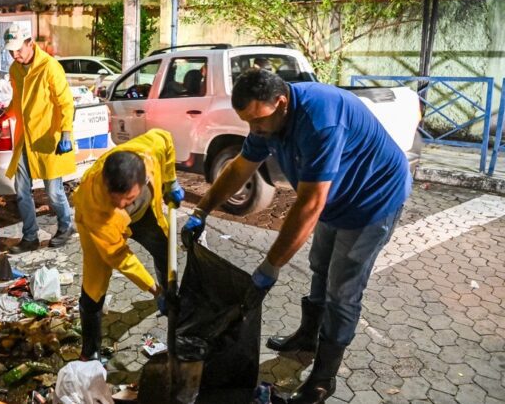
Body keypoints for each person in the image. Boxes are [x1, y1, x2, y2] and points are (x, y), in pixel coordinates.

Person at [182, 69, 411, 404]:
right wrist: (201, 210)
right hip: (334, 200)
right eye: (247, 122)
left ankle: (323, 378)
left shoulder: (321, 121)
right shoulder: (267, 118)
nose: (254, 130)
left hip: (372, 202)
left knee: (342, 290)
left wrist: (270, 267)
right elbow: (240, 168)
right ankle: (307, 336)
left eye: (258, 121)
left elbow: (309, 204)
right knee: (319, 264)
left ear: (282, 103)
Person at [73, 129, 184, 360]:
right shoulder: (95, 204)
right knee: (94, 287)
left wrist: (170, 181)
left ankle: (170, 293)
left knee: (165, 249)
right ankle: (90, 351)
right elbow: (120, 257)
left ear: (143, 180)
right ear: (105, 181)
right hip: (99, 231)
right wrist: (152, 289)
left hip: (143, 215)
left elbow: (166, 138)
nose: (122, 206)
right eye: (116, 200)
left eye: (128, 199)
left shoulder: (150, 151)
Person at [0, 24, 76, 253]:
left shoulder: (50, 67)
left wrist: (66, 133)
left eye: (18, 50)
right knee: (21, 191)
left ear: (30, 43)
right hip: (25, 139)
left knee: (54, 192)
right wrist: (5, 117)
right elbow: (17, 102)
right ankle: (30, 236)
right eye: (11, 51)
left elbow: (65, 102)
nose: (15, 55)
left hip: (48, 139)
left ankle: (66, 226)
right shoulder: (15, 69)